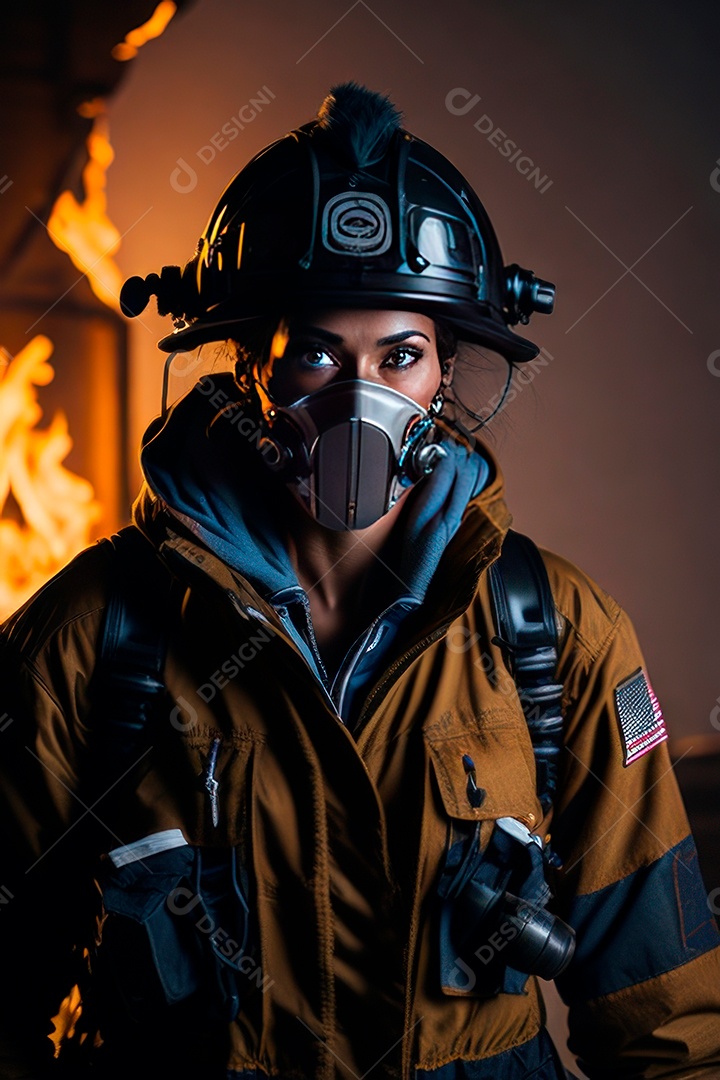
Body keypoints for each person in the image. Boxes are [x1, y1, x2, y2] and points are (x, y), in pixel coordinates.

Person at [0, 81, 719, 1080]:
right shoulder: (92, 637)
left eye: (403, 354)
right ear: (251, 364)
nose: (360, 400)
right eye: (316, 355)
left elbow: (667, 1026)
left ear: (446, 375)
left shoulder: (557, 637)